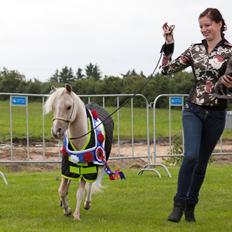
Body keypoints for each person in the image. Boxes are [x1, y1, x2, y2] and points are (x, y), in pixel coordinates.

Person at [160, 8, 232, 223]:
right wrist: (169, 44)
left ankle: (191, 205)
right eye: (201, 26)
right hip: (193, 109)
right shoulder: (194, 50)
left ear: (219, 24)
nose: (204, 29)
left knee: (201, 163)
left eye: (208, 25)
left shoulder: (230, 51)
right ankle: (178, 203)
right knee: (190, 156)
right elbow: (167, 70)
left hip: (217, 113)